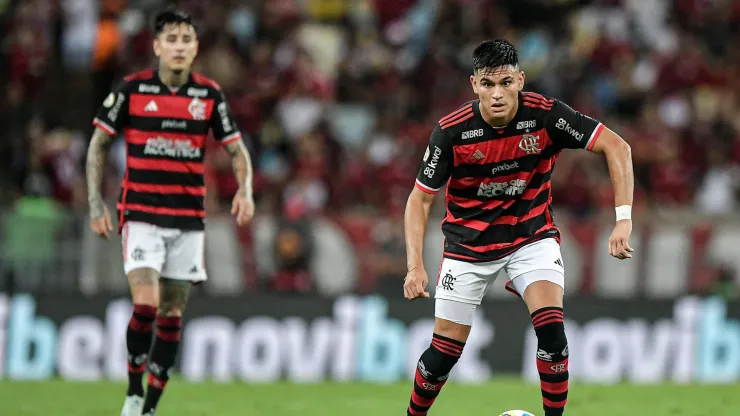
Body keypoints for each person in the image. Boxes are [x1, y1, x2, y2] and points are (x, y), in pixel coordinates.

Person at [402, 39, 634, 416]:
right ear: (474, 84)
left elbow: (617, 146)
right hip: (467, 246)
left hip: (531, 236)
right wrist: (415, 266)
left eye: (506, 83)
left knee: (552, 334)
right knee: (443, 354)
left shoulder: (545, 116)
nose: (497, 94)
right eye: (489, 84)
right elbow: (419, 199)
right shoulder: (451, 132)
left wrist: (622, 219)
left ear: (521, 80)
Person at [85, 9, 255, 416]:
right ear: (157, 46)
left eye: (186, 40)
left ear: (195, 48)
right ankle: (131, 390)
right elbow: (97, 145)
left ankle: (150, 407)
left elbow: (237, 150)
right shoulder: (131, 90)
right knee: (146, 305)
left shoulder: (209, 96)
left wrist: (245, 191)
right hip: (141, 213)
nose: (179, 47)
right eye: (172, 39)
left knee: (172, 313)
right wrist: (95, 202)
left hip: (188, 220)